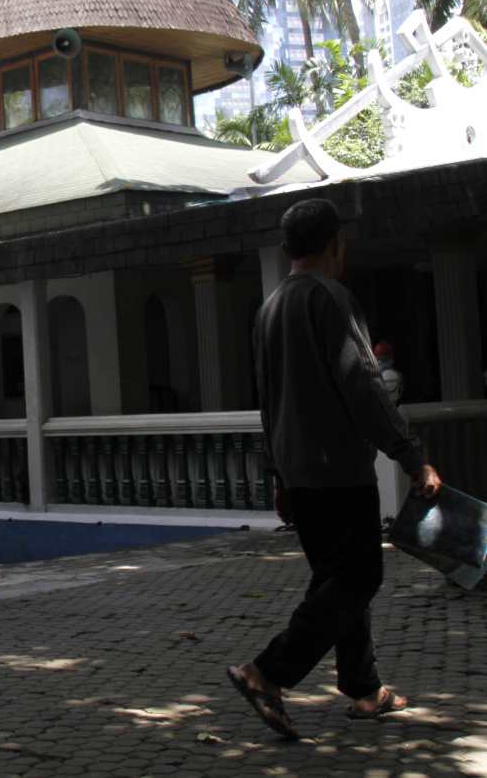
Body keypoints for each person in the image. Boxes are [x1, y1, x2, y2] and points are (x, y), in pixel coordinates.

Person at [227, 200, 442, 740]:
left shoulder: (268, 309)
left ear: (284, 250)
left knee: (339, 582)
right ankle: (267, 671)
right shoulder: (331, 297)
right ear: (336, 246)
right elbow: (364, 384)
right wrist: (411, 456)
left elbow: (268, 402)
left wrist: (278, 475)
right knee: (360, 575)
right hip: (337, 469)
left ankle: (365, 689)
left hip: (298, 473)